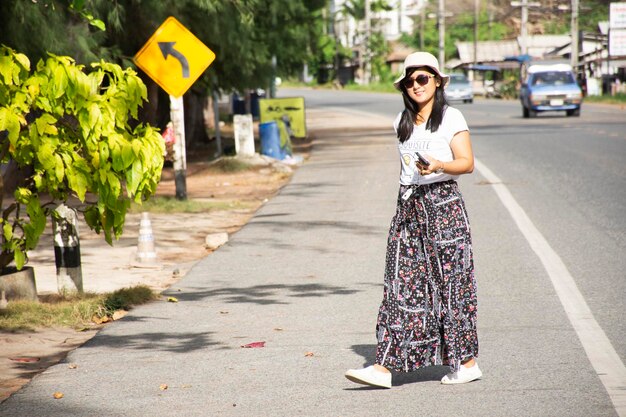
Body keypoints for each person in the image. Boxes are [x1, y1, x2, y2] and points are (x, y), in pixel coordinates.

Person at [345, 52, 481, 388]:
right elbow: (405, 169)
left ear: (437, 80)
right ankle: (384, 367)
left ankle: (466, 362)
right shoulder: (401, 122)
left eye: (422, 78)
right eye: (410, 81)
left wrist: (438, 166)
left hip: (444, 206)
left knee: (451, 285)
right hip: (408, 208)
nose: (416, 85)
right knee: (400, 286)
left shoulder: (451, 117)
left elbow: (466, 163)